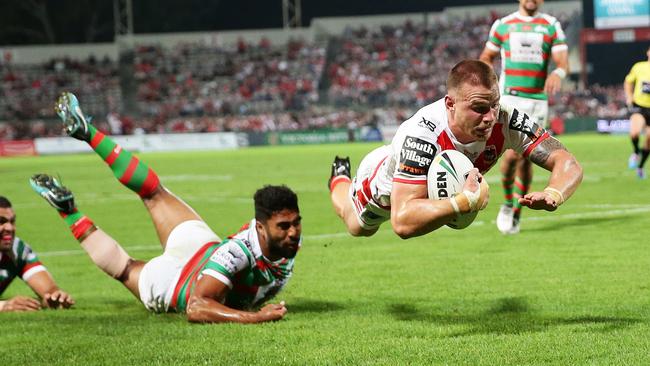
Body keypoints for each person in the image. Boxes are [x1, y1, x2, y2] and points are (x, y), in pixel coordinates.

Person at [30, 92, 302, 323]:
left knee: (154, 193)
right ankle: (68, 211)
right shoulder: (238, 251)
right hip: (173, 285)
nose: (293, 232)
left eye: (296, 223)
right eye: (284, 226)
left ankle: (87, 134)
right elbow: (196, 307)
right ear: (260, 228)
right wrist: (255, 317)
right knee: (124, 268)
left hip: (200, 247)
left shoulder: (283, 242)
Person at [328, 60, 582, 239]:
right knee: (357, 226)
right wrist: (465, 201)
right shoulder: (422, 135)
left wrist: (554, 193)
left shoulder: (505, 118)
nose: (490, 117)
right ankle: (339, 177)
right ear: (450, 104)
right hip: (382, 190)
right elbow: (402, 221)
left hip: (434, 188)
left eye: (494, 105)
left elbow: (567, 162)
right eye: (479, 108)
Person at [479, 0, 570, 234]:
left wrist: (558, 73)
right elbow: (486, 57)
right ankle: (508, 202)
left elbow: (562, 62)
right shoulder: (503, 25)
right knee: (509, 158)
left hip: (537, 101)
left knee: (527, 157)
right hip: (510, 97)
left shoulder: (550, 25)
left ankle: (517, 209)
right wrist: (487, 80)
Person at [0, 196, 75, 312]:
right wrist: (4, 306)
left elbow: (49, 292)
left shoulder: (18, 250)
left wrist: (56, 297)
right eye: (1, 222)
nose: (10, 228)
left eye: (12, 221)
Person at [624, 45, 650, 179]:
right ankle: (635, 152)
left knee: (649, 139)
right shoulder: (639, 67)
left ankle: (640, 167)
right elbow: (628, 81)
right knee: (634, 132)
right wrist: (629, 95)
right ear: (648, 52)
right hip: (639, 106)